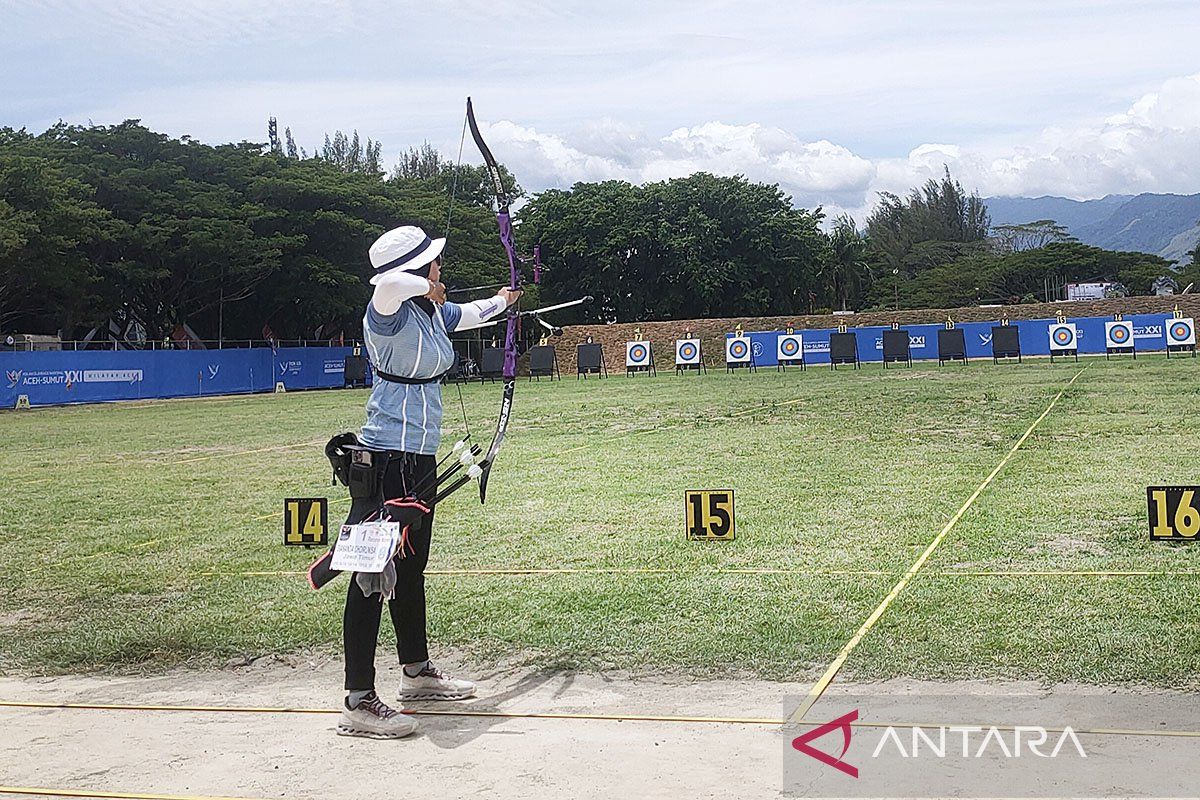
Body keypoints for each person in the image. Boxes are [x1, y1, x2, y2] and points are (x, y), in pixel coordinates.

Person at [338, 224, 520, 739]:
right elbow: (388, 286)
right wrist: (423, 284)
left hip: (418, 458)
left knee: (412, 565)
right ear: (417, 271)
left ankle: (415, 674)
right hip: (384, 457)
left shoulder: (432, 311)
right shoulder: (387, 313)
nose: (441, 272)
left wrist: (504, 300)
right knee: (370, 573)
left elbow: (476, 312)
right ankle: (357, 699)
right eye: (434, 265)